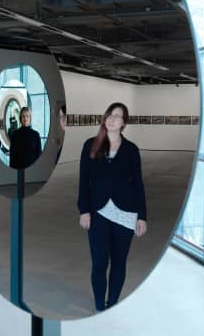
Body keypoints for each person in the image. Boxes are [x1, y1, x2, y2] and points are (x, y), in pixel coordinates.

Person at [77, 102, 147, 312]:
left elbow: (138, 184)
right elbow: (83, 181)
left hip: (126, 213)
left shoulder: (131, 150)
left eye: (117, 116)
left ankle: (112, 303)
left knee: (118, 263)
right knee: (99, 263)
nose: (112, 118)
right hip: (98, 212)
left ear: (124, 123)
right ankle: (100, 306)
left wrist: (142, 216)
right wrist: (84, 210)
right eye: (109, 114)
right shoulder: (91, 145)